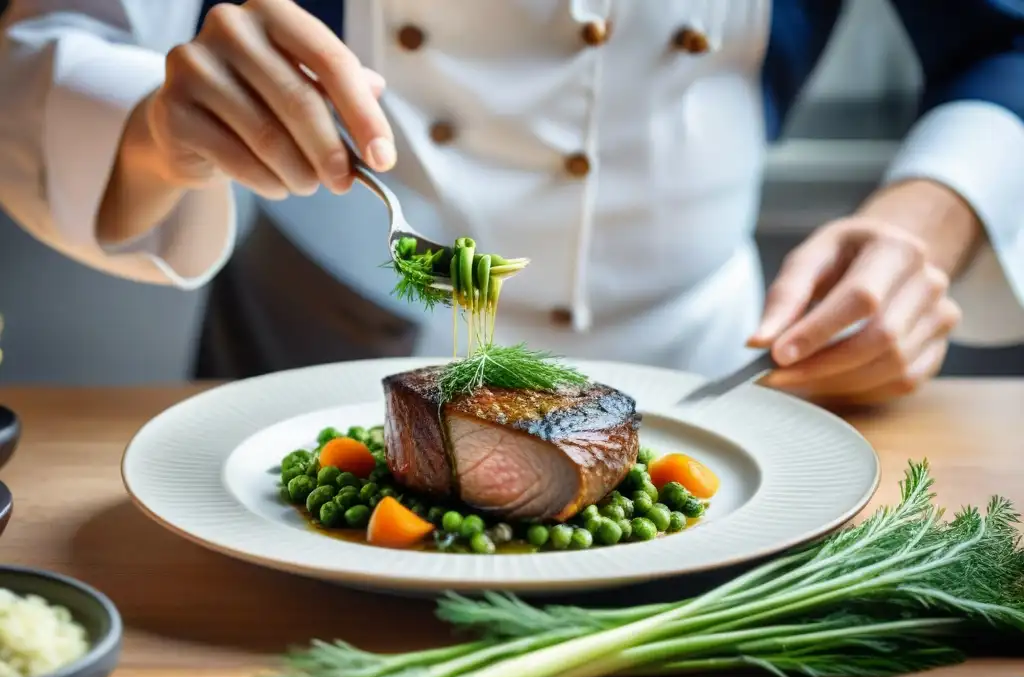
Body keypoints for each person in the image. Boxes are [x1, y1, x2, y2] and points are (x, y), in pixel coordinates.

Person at [0, 0, 1022, 406]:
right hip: (306, 367)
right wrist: (154, 126)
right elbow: (47, 51)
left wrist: (916, 228)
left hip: (716, 376)